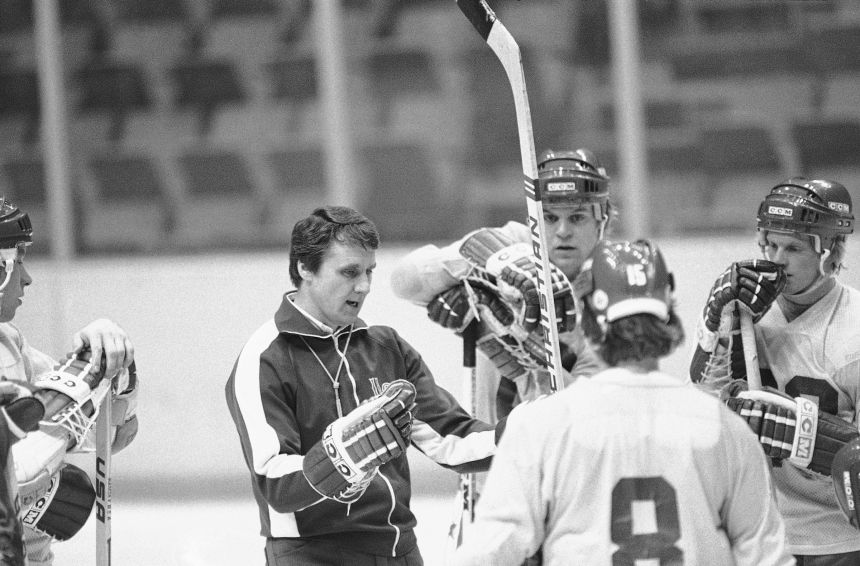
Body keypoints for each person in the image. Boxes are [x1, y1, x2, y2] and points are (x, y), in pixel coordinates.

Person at [454, 239, 794, 565]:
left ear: (588, 315)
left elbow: (489, 551)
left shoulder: (544, 424)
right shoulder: (724, 427)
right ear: (667, 311)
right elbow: (766, 555)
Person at [225, 205, 514, 566]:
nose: (363, 286)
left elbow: (452, 439)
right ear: (304, 268)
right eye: (349, 272)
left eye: (369, 272)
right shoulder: (265, 358)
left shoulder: (385, 346)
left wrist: (527, 434)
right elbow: (275, 485)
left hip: (399, 550)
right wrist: (340, 457)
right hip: (312, 555)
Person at [691, 177, 860, 563]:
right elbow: (701, 412)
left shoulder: (856, 329)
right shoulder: (745, 314)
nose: (777, 259)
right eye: (769, 244)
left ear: (831, 252)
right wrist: (714, 324)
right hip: (762, 537)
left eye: (794, 247)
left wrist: (800, 433)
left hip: (840, 542)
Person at [390, 148, 614, 424]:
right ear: (533, 219)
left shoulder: (618, 288)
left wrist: (516, 350)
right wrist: (490, 258)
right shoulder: (510, 242)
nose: (563, 231)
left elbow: (592, 417)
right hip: (489, 456)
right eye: (550, 217)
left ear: (601, 221)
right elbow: (403, 281)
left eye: (577, 217)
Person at [0, 198, 139, 565]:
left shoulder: (9, 345)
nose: (27, 278)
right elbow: (18, 473)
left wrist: (116, 370)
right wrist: (72, 400)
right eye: (21, 259)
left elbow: (111, 434)